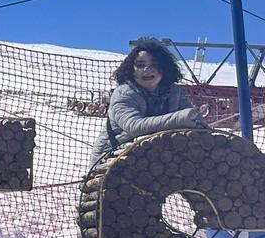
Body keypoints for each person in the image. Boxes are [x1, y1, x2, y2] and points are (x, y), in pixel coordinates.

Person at [89, 37, 208, 168]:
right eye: (140, 65)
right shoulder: (124, 94)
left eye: (154, 64)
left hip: (156, 159)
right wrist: (181, 118)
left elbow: (194, 118)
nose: (147, 69)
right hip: (112, 160)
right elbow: (135, 126)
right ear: (131, 69)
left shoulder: (174, 92)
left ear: (164, 68)